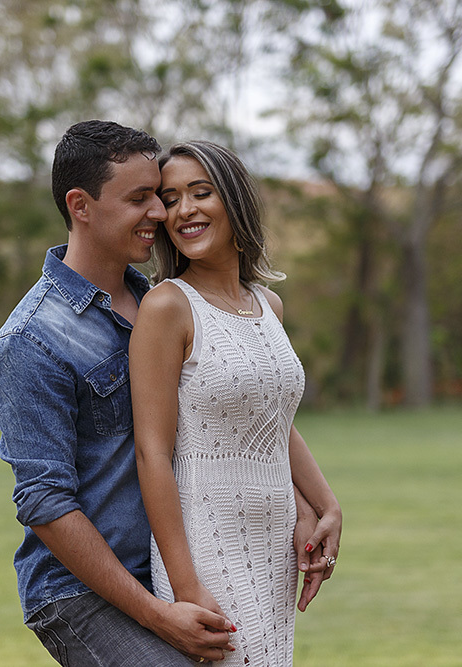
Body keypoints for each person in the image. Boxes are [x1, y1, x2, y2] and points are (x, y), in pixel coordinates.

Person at [0, 121, 333, 666]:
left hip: (180, 559)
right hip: (85, 593)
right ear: (81, 205)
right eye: (142, 198)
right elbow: (45, 504)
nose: (161, 214)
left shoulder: (161, 300)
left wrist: (310, 504)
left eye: (161, 197)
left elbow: (244, 416)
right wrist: (158, 611)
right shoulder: (30, 342)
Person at [129, 140, 342, 666]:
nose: (184, 210)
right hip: (207, 540)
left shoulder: (269, 305)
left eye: (201, 193)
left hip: (273, 539)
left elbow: (273, 422)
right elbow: (151, 453)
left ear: (235, 200)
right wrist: (185, 587)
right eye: (171, 198)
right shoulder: (167, 306)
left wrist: (325, 506)